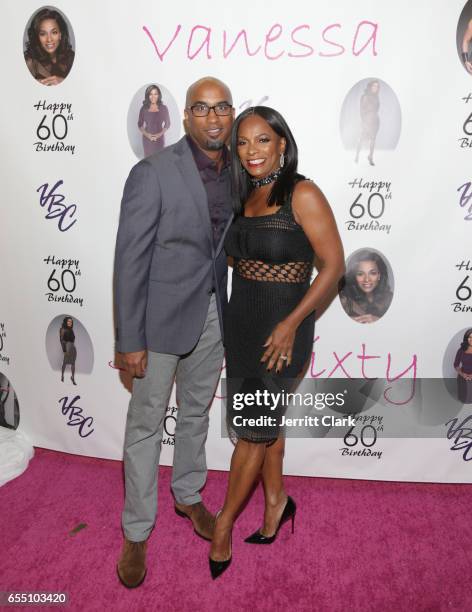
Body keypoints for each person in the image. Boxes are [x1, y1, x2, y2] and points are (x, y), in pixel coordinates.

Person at [209, 106, 345, 579]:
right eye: (242, 142)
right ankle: (275, 503)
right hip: (244, 326)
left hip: (283, 332)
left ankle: (223, 525)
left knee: (251, 432)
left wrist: (291, 323)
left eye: (262, 141)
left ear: (282, 144)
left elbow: (333, 267)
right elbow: (235, 261)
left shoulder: (301, 193)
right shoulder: (242, 196)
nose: (251, 151)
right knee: (268, 425)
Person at [114, 77, 235, 588]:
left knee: (195, 414)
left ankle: (188, 496)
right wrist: (128, 341)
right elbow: (130, 260)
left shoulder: (242, 172)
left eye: (222, 107)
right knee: (145, 424)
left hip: (213, 316)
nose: (213, 117)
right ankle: (137, 531)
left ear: (232, 113)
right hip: (158, 320)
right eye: (201, 109)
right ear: (185, 116)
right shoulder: (152, 173)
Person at [339, 249, 393, 324]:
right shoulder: (345, 301)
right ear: (354, 276)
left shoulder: (390, 299)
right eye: (360, 274)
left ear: (379, 276)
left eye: (373, 273)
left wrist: (378, 320)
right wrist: (347, 322)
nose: (367, 279)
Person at [24, 8, 75, 86]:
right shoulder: (29, 62)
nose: (49, 39)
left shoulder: (72, 58)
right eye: (43, 34)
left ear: (60, 35)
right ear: (37, 37)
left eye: (54, 32)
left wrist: (63, 81)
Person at [137, 85, 171, 158]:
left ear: (159, 95)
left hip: (160, 139)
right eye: (151, 94)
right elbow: (140, 124)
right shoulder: (144, 108)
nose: (153, 96)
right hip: (147, 140)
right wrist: (147, 135)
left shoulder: (163, 108)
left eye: (155, 94)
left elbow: (167, 124)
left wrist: (159, 134)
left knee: (159, 161)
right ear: (147, 95)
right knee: (148, 162)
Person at [354, 80, 380, 166]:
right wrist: (364, 122)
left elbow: (376, 109)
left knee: (373, 139)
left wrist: (375, 118)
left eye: (377, 86)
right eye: (374, 86)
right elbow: (361, 110)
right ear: (370, 86)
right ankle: (357, 155)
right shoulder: (365, 96)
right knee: (362, 138)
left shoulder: (376, 97)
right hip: (367, 121)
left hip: (375, 121)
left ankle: (370, 157)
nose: (375, 88)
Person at [454, 329, 472, 403]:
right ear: (466, 338)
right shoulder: (461, 350)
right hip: (463, 377)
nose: (471, 339)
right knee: (464, 401)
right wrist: (462, 374)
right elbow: (456, 364)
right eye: (470, 337)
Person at [60, 317, 77, 385]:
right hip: (67, 347)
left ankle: (72, 377)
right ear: (65, 322)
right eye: (68, 321)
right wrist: (64, 350)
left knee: (73, 363)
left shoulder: (71, 330)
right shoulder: (62, 329)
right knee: (65, 363)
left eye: (71, 322)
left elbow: (73, 340)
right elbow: (61, 340)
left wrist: (72, 347)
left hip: (73, 348)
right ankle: (62, 375)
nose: (70, 323)